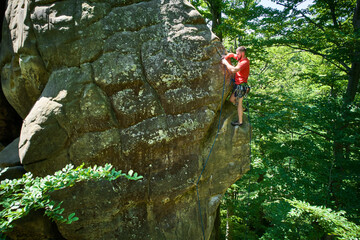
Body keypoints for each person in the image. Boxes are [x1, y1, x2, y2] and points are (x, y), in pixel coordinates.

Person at [221, 46, 250, 127]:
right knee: (231, 100)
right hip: (238, 85)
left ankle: (240, 122)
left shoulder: (244, 62)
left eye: (238, 53)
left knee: (239, 103)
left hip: (241, 85)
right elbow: (231, 54)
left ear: (242, 53)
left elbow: (234, 69)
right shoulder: (240, 58)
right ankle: (243, 109)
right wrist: (226, 57)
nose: (236, 55)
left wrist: (225, 62)